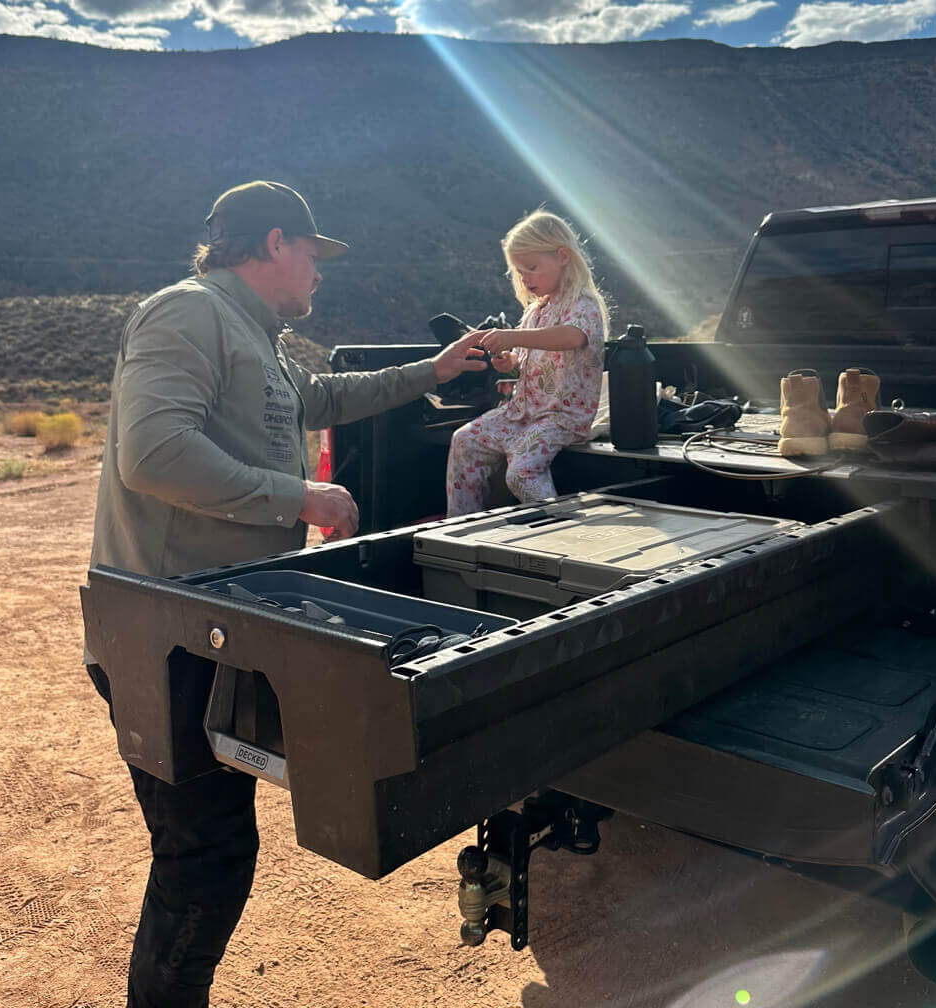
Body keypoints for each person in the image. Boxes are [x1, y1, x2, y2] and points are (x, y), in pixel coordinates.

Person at [85, 180, 486, 1008]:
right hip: (164, 640)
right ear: (274, 243)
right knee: (205, 860)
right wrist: (297, 497)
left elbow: (329, 398)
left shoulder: (255, 337)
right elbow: (152, 454)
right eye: (313, 255)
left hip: (212, 631)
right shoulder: (186, 312)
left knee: (209, 851)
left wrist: (435, 371)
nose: (320, 274)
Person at [445, 210, 609, 516]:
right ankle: (460, 526)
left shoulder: (583, 304)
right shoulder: (536, 311)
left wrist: (514, 337)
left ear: (562, 256)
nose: (524, 278)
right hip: (522, 413)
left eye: (531, 268)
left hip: (561, 418)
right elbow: (527, 364)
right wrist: (509, 363)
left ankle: (561, 528)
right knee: (464, 441)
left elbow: (572, 337)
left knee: (521, 473)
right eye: (519, 272)